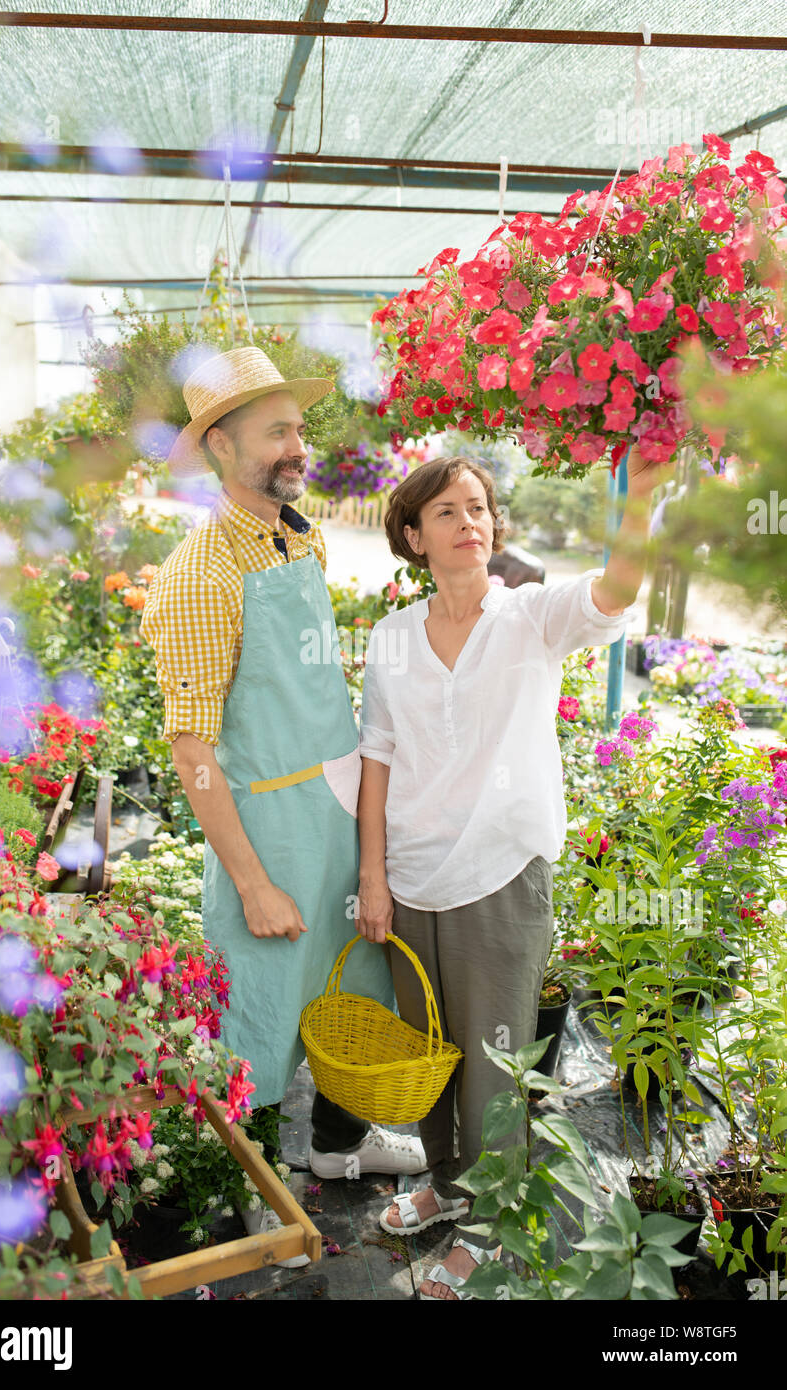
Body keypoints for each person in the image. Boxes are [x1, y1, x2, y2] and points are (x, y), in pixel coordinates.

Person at [355, 448, 665, 1299]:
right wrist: (373, 876)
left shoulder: (531, 617)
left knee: (495, 1062)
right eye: (447, 511)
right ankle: (446, 1183)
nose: (470, 523)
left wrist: (639, 497)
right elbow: (377, 757)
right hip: (411, 874)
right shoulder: (391, 637)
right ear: (413, 536)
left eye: (479, 508)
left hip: (500, 873)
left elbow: (616, 591)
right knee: (430, 1051)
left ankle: (489, 1224)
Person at [139, 345, 426, 1267]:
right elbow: (192, 753)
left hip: (332, 811)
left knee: (351, 983)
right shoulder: (197, 574)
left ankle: (339, 1147)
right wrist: (252, 882)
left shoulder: (298, 533)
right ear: (221, 447)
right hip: (264, 829)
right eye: (276, 433)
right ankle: (252, 1189)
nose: (297, 446)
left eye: (298, 428)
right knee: (258, 1019)